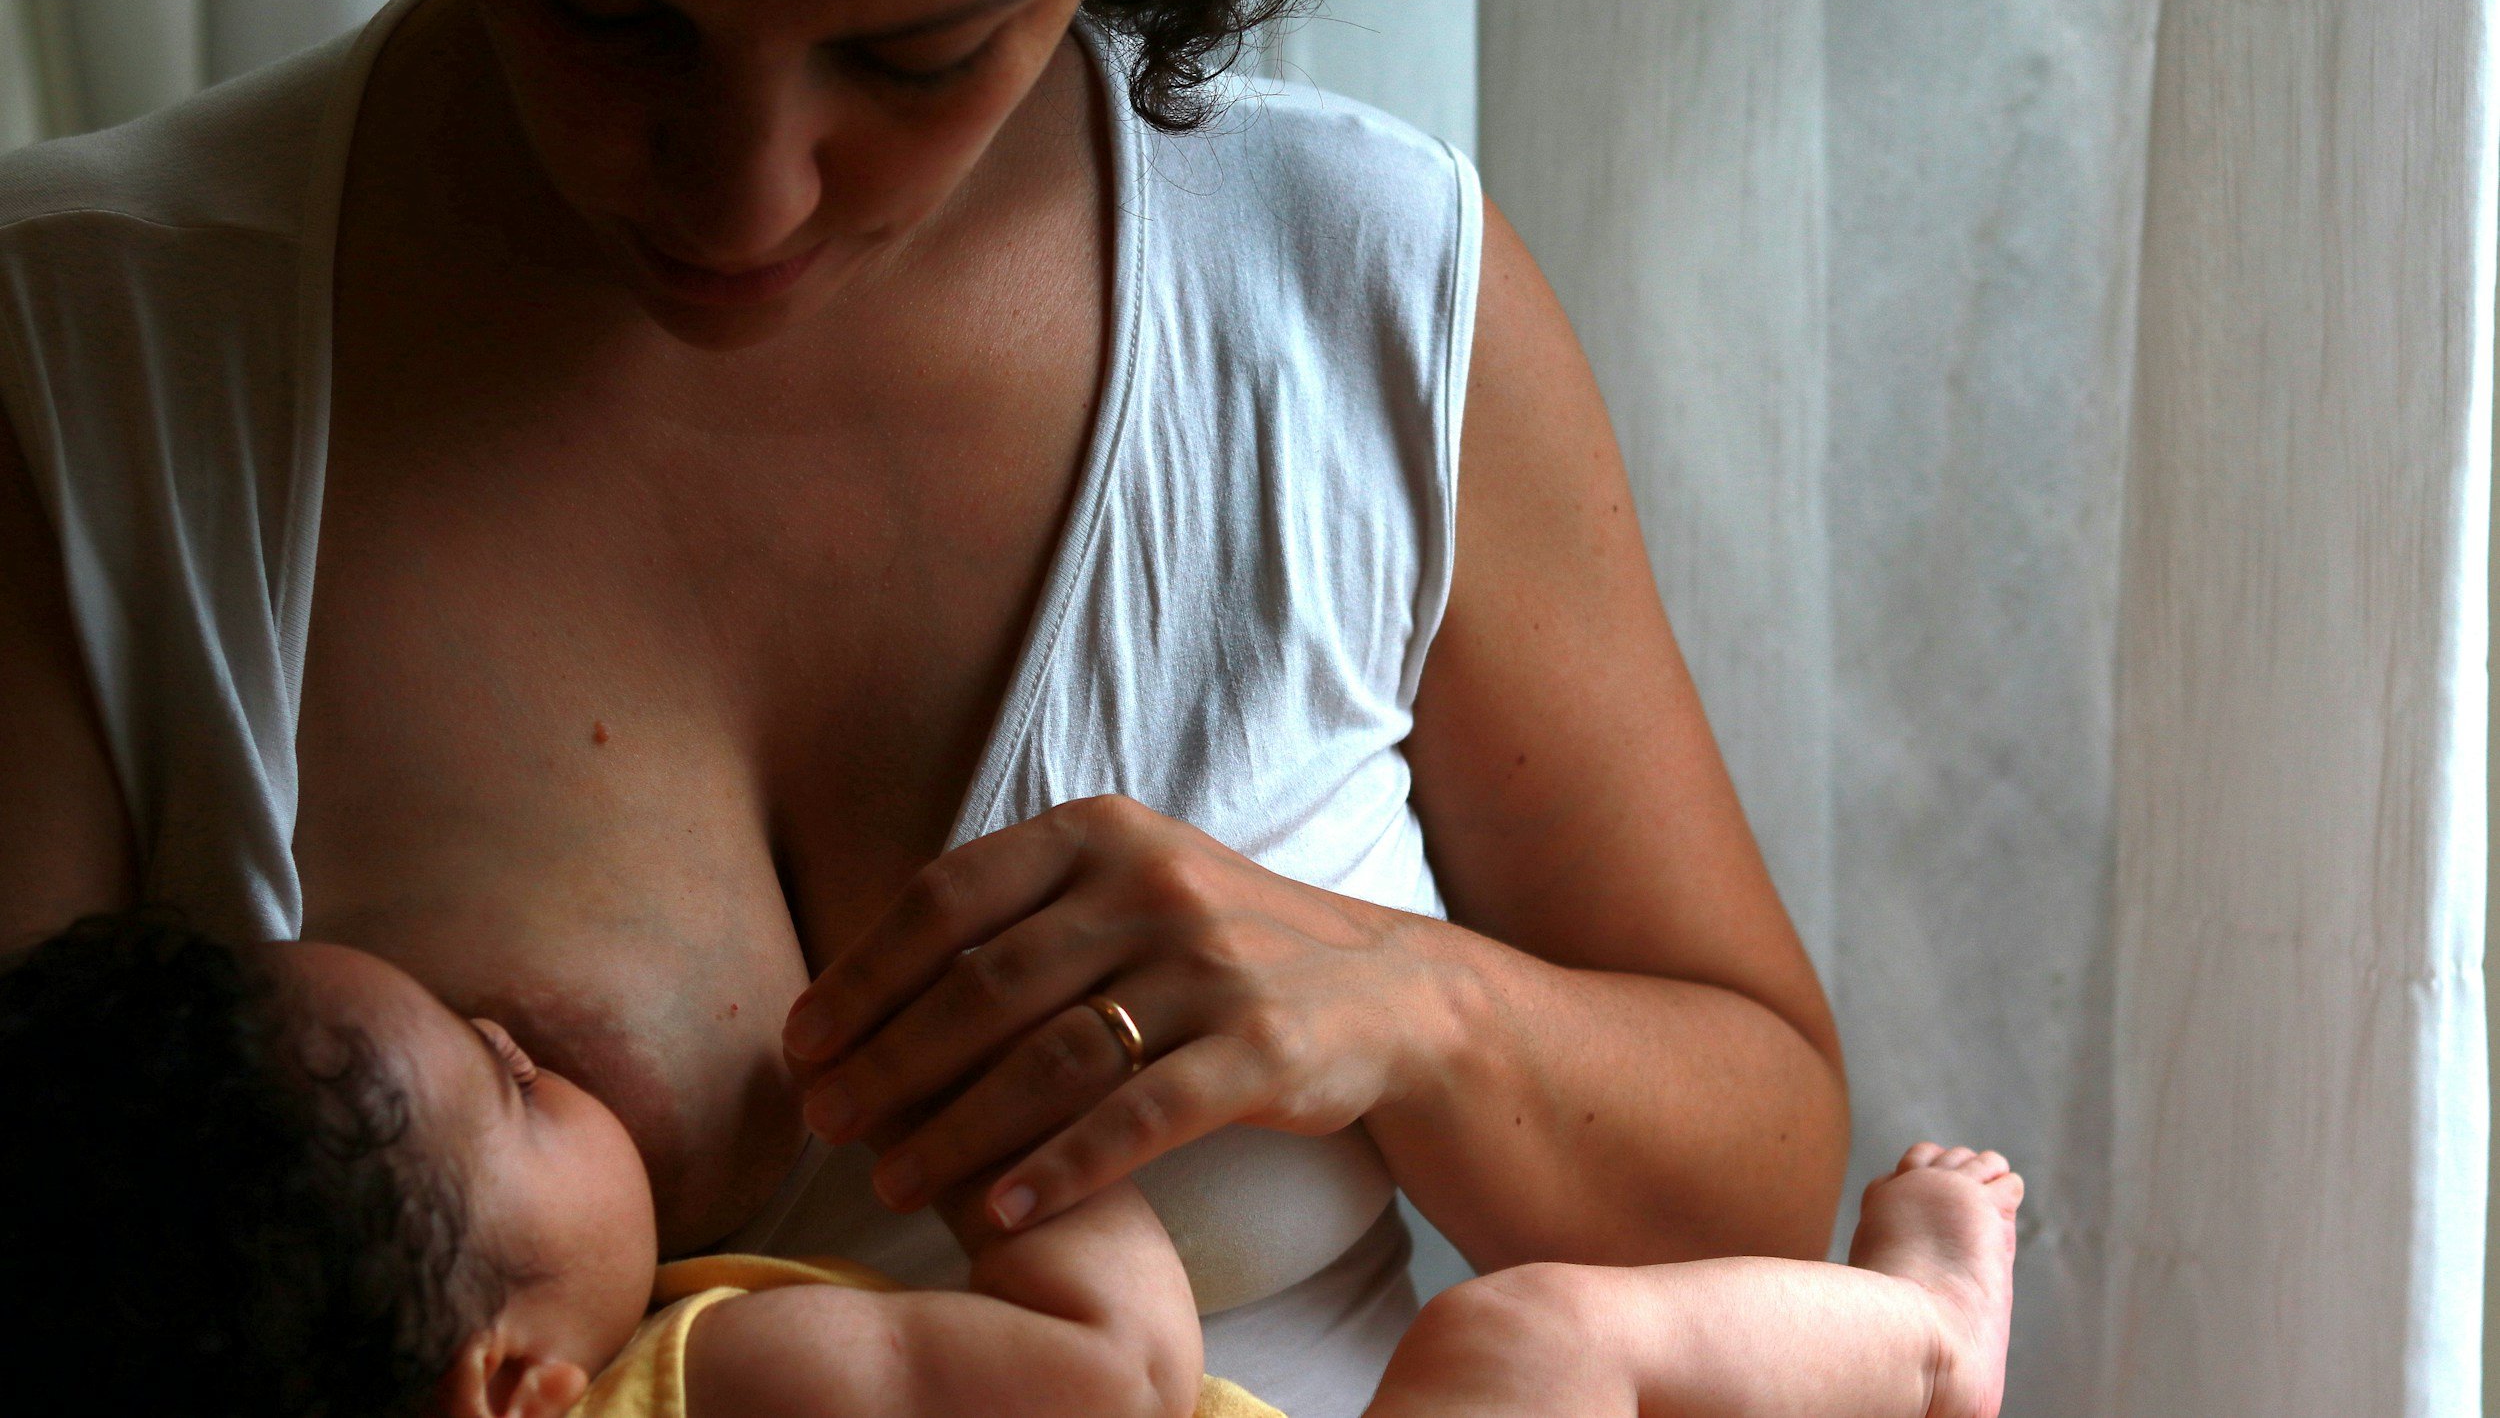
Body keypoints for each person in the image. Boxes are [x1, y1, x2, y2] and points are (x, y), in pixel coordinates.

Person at [0, 0, 1849, 1411]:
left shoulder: (1359, 300)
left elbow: (1763, 1172)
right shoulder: (80, 366)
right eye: (602, 8)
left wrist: (1408, 1005)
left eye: (912, 53)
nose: (745, 203)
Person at [0, 915, 2018, 1418]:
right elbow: (1119, 1384)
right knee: (1514, 1350)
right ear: (515, 1386)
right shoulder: (710, 1384)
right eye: (514, 1086)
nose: (538, 1043)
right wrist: (1003, 1146)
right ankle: (1923, 1343)